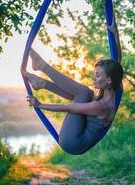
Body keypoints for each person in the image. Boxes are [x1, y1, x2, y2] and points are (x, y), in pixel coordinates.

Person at [21, 21, 123, 155]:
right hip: (81, 130)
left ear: (109, 79)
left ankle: (42, 67)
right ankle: (42, 83)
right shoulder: (117, 87)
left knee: (84, 92)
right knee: (85, 94)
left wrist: (40, 105)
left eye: (97, 76)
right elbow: (118, 60)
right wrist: (115, 32)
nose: (93, 78)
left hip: (73, 142)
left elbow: (67, 107)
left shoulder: (101, 106)